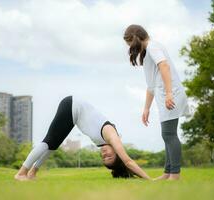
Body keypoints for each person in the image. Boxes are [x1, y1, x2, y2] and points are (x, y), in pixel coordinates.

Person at [14, 96, 151, 181]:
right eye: (109, 156)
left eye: (104, 158)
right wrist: (149, 180)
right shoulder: (112, 136)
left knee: (53, 146)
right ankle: (21, 173)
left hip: (74, 114)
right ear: (117, 153)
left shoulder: (105, 141)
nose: (104, 154)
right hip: (72, 106)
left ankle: (32, 173)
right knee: (48, 142)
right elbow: (127, 161)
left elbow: (124, 165)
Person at [123, 24, 190, 180]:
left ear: (136, 38)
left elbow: (164, 66)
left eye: (130, 43)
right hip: (165, 97)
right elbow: (151, 86)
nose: (131, 48)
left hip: (170, 96)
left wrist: (168, 93)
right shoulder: (148, 53)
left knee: (169, 134)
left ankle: (175, 175)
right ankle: (167, 173)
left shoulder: (153, 47)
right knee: (167, 134)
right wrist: (146, 109)